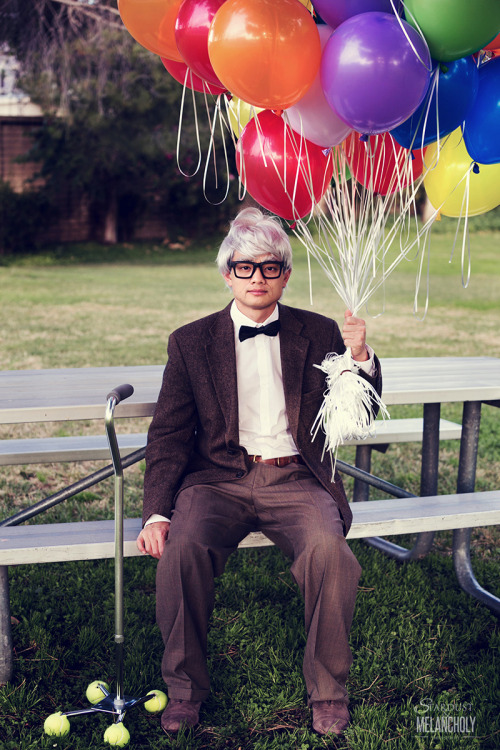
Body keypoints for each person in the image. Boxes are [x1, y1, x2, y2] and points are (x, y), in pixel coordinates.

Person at [137, 207, 382, 737]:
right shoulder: (190, 341)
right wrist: (156, 510)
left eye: (269, 268)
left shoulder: (317, 332)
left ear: (285, 275)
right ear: (227, 273)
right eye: (244, 268)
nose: (257, 278)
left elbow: (360, 409)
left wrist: (359, 356)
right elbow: (170, 434)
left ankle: (328, 692)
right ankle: (183, 689)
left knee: (331, 556)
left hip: (297, 478)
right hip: (216, 479)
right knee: (182, 551)